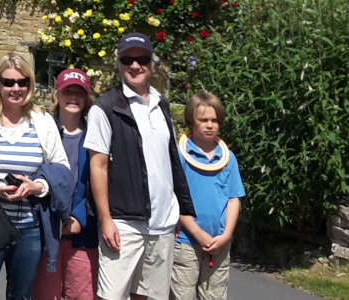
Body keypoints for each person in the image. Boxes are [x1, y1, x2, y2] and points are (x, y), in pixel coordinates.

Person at [84, 33, 195, 300]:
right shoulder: (105, 108)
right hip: (124, 223)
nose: (135, 66)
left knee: (149, 296)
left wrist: (179, 208)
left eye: (142, 59)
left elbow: (169, 160)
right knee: (111, 296)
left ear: (152, 65)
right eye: (128, 59)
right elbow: (97, 166)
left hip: (163, 223)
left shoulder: (162, 104)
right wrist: (106, 219)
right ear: (119, 64)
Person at [0, 53, 69, 300]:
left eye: (23, 82)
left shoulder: (43, 121)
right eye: (9, 82)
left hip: (29, 227)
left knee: (21, 296)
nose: (16, 88)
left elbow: (62, 169)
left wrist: (38, 186)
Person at [34, 69, 101, 300]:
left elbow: (98, 185)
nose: (73, 98)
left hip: (84, 234)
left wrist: (78, 218)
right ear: (57, 96)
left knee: (82, 295)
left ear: (87, 98)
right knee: (46, 295)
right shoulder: (43, 130)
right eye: (67, 92)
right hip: (47, 231)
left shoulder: (96, 136)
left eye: (79, 93)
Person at [170, 92, 244, 300]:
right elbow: (175, 200)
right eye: (203, 120)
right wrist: (198, 233)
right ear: (191, 122)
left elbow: (233, 198)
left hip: (219, 243)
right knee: (181, 295)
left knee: (214, 295)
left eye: (214, 120)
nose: (209, 125)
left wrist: (226, 235)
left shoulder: (228, 159)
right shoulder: (180, 156)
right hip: (185, 242)